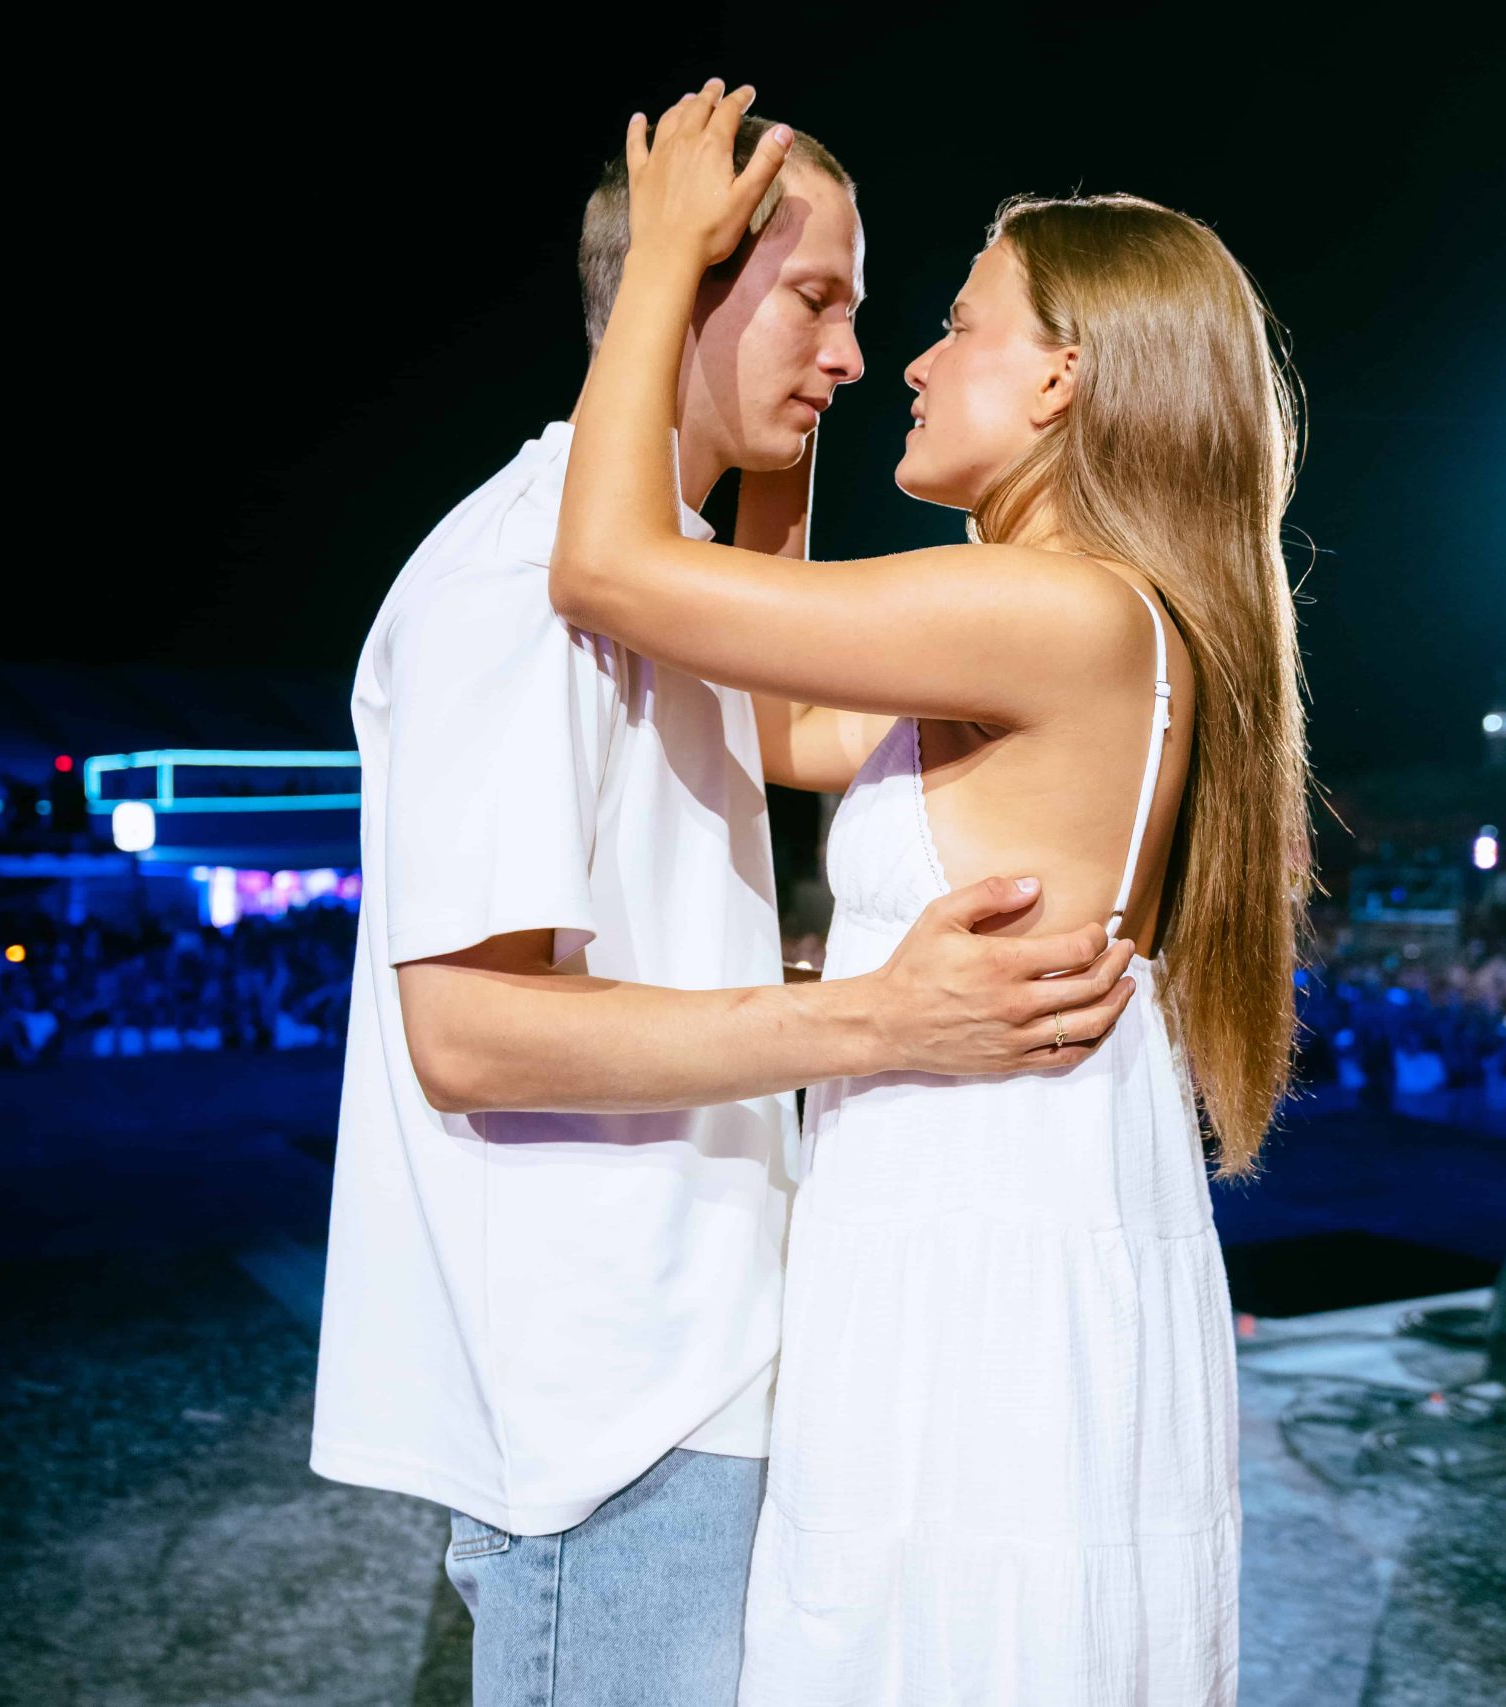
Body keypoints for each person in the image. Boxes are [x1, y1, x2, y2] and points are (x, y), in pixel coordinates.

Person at [310, 106, 1139, 1707]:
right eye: (817, 299)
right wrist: (876, 1019)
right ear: (680, 281)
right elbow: (468, 1033)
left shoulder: (665, 577)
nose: (855, 356)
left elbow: (772, 711)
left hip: (687, 1363)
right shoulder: (516, 584)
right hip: (612, 1401)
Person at [553, 82, 1310, 1705]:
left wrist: (666, 276)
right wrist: (783, 447)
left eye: (958, 326)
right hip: (975, 1211)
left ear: (1060, 377)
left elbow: (606, 569)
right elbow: (785, 725)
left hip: (980, 1253)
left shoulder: (1054, 611)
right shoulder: (1061, 618)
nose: (898, 360)